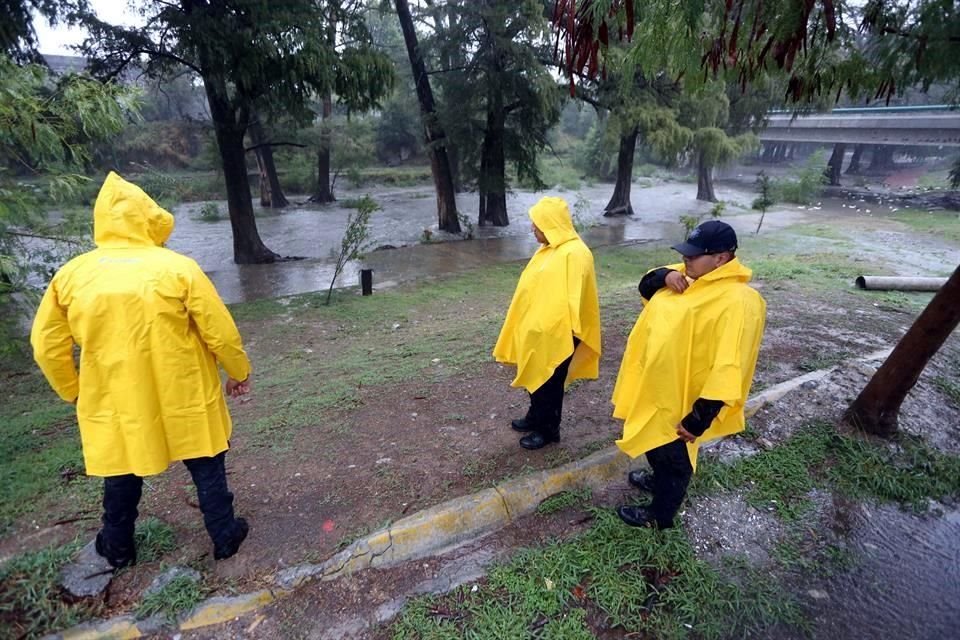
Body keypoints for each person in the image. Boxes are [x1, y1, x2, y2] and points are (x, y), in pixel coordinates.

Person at [31, 172, 252, 567]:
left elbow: (46, 345)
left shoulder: (71, 275)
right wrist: (237, 370)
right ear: (148, 216)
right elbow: (219, 330)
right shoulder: (179, 268)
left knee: (122, 472)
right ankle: (224, 536)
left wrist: (73, 390)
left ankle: (117, 548)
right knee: (206, 462)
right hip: (184, 394)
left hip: (117, 400)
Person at [611, 220, 766, 528]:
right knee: (655, 445)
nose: (686, 260)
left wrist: (700, 417)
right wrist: (664, 276)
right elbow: (646, 285)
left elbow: (730, 365)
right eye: (685, 253)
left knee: (674, 459)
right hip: (656, 386)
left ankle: (659, 516)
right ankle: (657, 480)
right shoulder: (692, 275)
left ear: (721, 258)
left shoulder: (739, 301)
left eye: (693, 255)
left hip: (685, 398)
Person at [493, 196, 601, 450]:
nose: (533, 229)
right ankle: (534, 416)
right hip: (537, 330)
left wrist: (554, 330)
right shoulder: (550, 249)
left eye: (537, 224)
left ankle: (548, 430)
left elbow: (574, 300)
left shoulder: (576, 253)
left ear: (551, 224)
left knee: (550, 383)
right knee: (535, 374)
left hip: (559, 333)